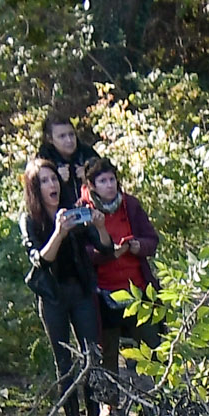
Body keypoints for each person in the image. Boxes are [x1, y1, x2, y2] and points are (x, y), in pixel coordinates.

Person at [22, 158, 111, 416]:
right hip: (52, 297)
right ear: (35, 189)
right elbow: (40, 259)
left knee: (91, 356)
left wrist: (100, 226)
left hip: (80, 291)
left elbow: (105, 250)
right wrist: (59, 233)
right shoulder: (29, 220)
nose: (52, 185)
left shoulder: (74, 210)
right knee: (65, 362)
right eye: (44, 181)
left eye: (54, 179)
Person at [82, 157, 162, 377]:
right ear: (92, 185)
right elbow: (82, 254)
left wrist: (138, 246)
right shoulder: (83, 211)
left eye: (112, 179)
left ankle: (154, 397)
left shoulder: (130, 205)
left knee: (151, 345)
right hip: (103, 295)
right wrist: (107, 253)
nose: (109, 185)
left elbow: (152, 240)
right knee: (107, 353)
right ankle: (111, 404)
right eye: (103, 181)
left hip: (136, 288)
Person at [34, 112, 100, 205]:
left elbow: (111, 188)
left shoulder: (87, 154)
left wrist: (90, 178)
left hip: (91, 212)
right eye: (62, 136)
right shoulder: (42, 161)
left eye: (71, 134)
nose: (69, 140)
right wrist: (56, 181)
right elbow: (35, 198)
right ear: (50, 139)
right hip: (59, 215)